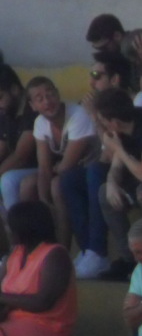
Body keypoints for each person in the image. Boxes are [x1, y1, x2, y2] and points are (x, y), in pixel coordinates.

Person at [63, 88, 142, 280]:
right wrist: (112, 183)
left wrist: (119, 149)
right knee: (105, 192)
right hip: (139, 181)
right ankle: (130, 259)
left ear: (113, 122)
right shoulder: (120, 130)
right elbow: (116, 167)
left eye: (102, 120)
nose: (102, 125)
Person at [25, 77, 99, 249]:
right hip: (69, 171)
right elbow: (44, 167)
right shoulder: (40, 122)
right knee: (27, 185)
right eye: (40, 99)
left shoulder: (78, 115)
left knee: (57, 185)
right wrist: (44, 202)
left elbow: (67, 165)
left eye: (50, 94)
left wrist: (54, 172)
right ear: (32, 106)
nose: (47, 101)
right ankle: (33, 248)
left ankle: (62, 250)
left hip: (92, 169)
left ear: (58, 94)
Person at [0, 201, 76, 336]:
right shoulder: (15, 255)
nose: (7, 230)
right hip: (11, 326)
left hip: (47, 332)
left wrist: (3, 298)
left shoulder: (56, 255)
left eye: (10, 226)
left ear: (24, 228)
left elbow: (42, 302)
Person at [0, 65, 38, 211]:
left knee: (8, 181)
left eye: (0, 97)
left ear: (15, 90)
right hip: (18, 168)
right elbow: (2, 147)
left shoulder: (32, 109)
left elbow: (21, 156)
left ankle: (15, 224)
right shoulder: (6, 111)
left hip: (40, 167)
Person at [84, 51, 142, 115]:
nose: (91, 83)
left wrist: (94, 115)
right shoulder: (114, 110)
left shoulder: (140, 103)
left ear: (114, 79)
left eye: (96, 75)